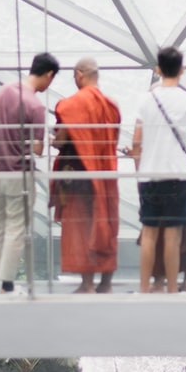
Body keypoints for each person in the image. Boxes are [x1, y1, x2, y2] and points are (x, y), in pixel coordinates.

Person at [129, 45, 186, 295]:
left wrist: (138, 170)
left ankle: (144, 289)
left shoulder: (145, 99)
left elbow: (136, 141)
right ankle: (173, 290)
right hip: (178, 176)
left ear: (158, 69)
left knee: (150, 234)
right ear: (182, 70)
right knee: (173, 238)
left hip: (149, 176)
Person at [0, 51, 58, 293]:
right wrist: (44, 139)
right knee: (16, 228)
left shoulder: (4, 90)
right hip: (19, 172)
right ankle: (6, 284)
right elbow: (36, 149)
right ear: (48, 74)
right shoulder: (36, 106)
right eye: (52, 79)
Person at [50, 58, 121, 293]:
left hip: (79, 176)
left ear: (79, 74)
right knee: (105, 225)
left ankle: (87, 284)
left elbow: (62, 141)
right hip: (106, 173)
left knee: (80, 227)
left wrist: (55, 139)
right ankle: (106, 284)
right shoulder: (112, 106)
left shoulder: (72, 105)